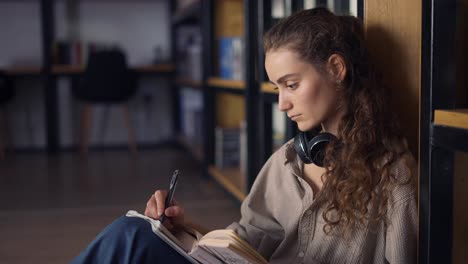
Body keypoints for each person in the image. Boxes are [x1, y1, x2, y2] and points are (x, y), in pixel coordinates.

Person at [72, 7, 417, 264]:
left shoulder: (395, 179)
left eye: (291, 85)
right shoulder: (287, 161)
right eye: (277, 88)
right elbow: (246, 242)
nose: (282, 104)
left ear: (336, 69)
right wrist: (182, 229)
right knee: (133, 235)